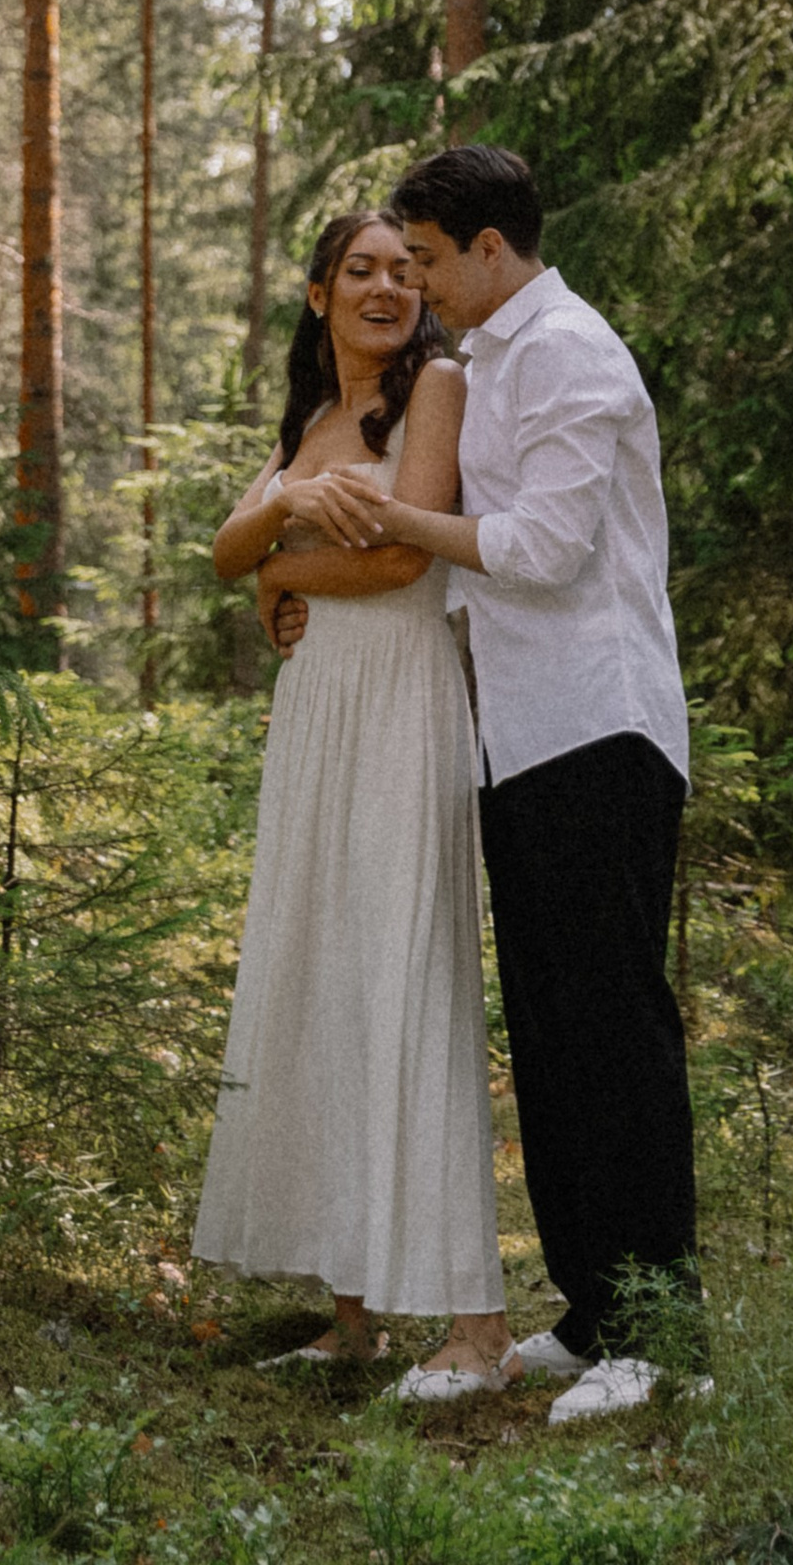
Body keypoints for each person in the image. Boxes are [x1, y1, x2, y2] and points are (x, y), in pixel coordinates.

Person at [274, 143, 706, 1426]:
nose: (411, 282)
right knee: (554, 1032)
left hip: (600, 724)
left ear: (486, 247)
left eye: (422, 258)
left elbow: (544, 549)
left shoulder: (570, 352)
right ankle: (589, 1312)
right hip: (517, 735)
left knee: (614, 1030)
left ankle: (658, 1332)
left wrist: (391, 523)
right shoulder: (496, 356)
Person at [192, 209, 512, 1393]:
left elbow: (399, 560)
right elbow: (223, 548)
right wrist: (278, 526)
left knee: (407, 974)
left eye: (403, 270)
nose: (387, 286)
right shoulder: (313, 419)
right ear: (318, 293)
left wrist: (278, 567)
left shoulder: (435, 388)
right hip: (316, 712)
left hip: (399, 702)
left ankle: (476, 1325)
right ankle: (352, 1312)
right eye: (360, 270)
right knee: (327, 974)